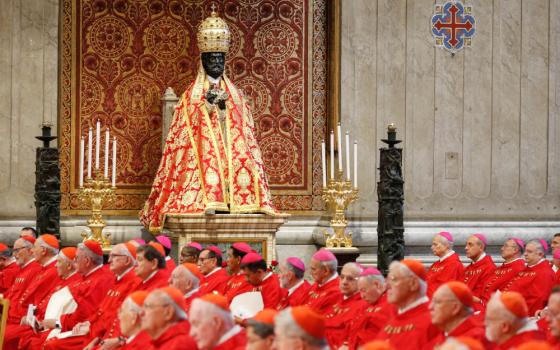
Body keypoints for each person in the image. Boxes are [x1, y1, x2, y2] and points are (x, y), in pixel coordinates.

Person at [140, 9, 276, 232]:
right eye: (211, 58)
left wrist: (223, 108)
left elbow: (244, 127)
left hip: (231, 149)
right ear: (202, 60)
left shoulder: (236, 95)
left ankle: (240, 200)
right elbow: (185, 128)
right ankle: (209, 199)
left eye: (219, 58)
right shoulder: (189, 96)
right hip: (202, 152)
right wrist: (208, 105)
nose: (216, 62)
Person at [52, 243, 140, 350]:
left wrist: (97, 338)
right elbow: (101, 310)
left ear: (127, 260)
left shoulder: (133, 282)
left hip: (108, 337)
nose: (109, 260)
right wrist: (88, 322)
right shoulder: (118, 280)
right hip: (96, 332)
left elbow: (115, 319)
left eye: (114, 256)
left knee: (53, 344)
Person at [42, 241, 114, 344]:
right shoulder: (88, 277)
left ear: (87, 261)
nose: (74, 261)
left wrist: (58, 323)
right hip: (81, 326)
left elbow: (85, 314)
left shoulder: (99, 281)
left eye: (76, 258)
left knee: (50, 343)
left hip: (90, 331)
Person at [375, 259, 441, 349]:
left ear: (413, 284)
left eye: (394, 279)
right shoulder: (393, 317)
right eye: (388, 279)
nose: (387, 285)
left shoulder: (434, 320)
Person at [427, 282, 487, 348]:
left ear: (455, 308)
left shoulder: (477, 339)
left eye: (437, 302)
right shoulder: (440, 334)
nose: (430, 307)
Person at [503, 239, 556, 316]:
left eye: (529, 252)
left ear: (540, 254)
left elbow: (538, 300)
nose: (525, 254)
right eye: (525, 251)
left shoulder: (545, 273)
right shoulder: (529, 268)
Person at [345, 267, 391, 350]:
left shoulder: (391, 304)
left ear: (377, 285)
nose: (362, 296)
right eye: (360, 291)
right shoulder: (364, 305)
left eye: (364, 290)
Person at [325, 262, 365, 349]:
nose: (344, 282)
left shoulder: (363, 305)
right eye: (342, 277)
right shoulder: (332, 297)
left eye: (350, 279)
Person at [481, 238, 526, 303]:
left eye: (506, 246)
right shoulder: (500, 268)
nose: (501, 249)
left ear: (515, 250)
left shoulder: (519, 269)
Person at [426, 231, 465, 297]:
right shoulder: (436, 264)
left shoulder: (454, 265)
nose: (432, 247)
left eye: (435, 244)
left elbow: (443, 290)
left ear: (446, 245)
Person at [463, 233, 496, 309]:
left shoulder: (489, 268)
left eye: (470, 245)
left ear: (481, 247)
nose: (466, 248)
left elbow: (479, 298)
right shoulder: (468, 268)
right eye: (466, 244)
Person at [306, 249, 341, 314]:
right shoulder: (318, 283)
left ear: (326, 271)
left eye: (313, 269)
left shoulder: (336, 292)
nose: (310, 273)